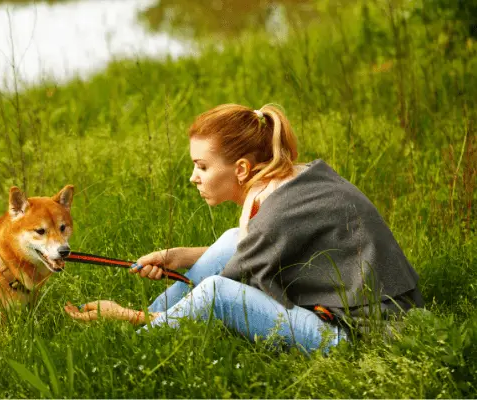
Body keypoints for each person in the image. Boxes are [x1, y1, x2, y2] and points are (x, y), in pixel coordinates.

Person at [64, 103, 424, 353]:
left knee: (218, 293)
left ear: (240, 169)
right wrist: (181, 257)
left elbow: (221, 296)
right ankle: (153, 324)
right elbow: (250, 249)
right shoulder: (295, 180)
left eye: (202, 167)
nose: (193, 177)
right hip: (378, 311)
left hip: (360, 334)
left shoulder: (275, 216)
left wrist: (124, 316)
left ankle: (136, 333)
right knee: (231, 240)